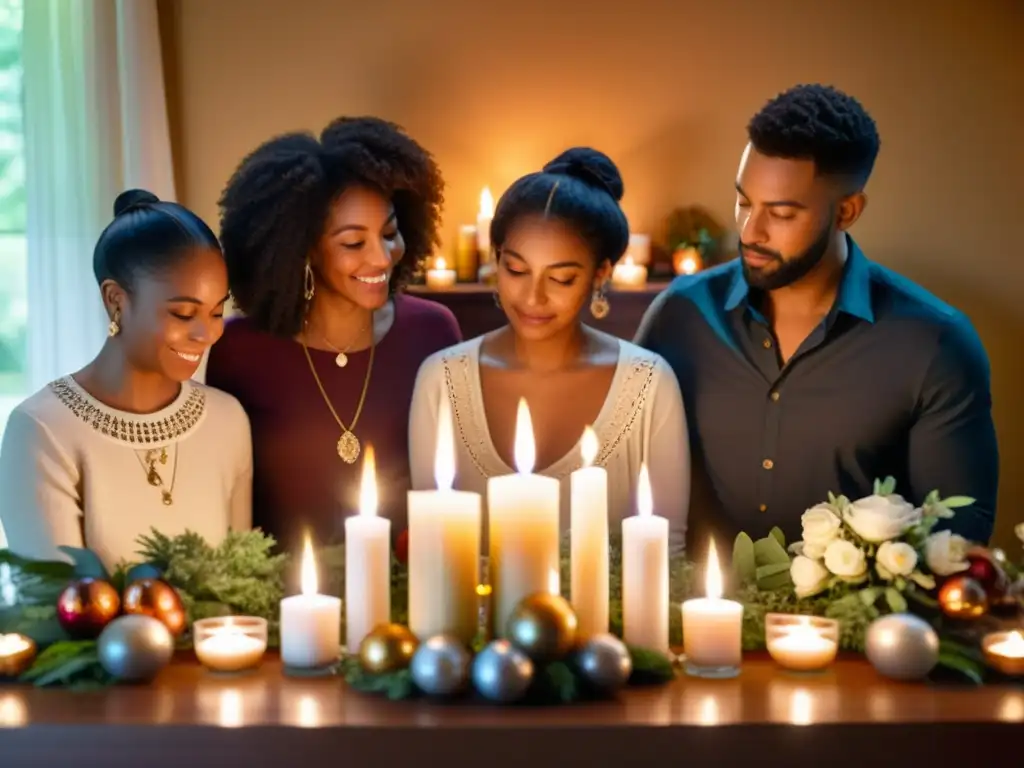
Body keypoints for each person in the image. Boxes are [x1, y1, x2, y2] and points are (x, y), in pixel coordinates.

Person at [635, 83, 998, 547]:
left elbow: (956, 539)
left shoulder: (936, 344)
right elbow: (625, 474)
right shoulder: (679, 315)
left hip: (857, 619)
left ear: (846, 211)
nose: (750, 231)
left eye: (781, 214)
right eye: (744, 202)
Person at [410, 148, 689, 553]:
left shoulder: (648, 385)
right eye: (517, 270)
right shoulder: (442, 381)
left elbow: (668, 555)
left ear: (600, 275)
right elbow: (430, 551)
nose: (533, 297)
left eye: (560, 278)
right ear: (496, 259)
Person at [207, 117, 462, 555]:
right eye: (352, 243)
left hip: (409, 594)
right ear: (302, 248)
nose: (382, 258)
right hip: (279, 600)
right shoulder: (239, 350)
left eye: (389, 233)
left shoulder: (433, 330)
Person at [0, 190, 252, 569]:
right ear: (116, 300)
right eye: (183, 313)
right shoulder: (41, 430)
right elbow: (57, 614)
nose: (208, 334)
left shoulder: (227, 420)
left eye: (217, 312)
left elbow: (244, 588)